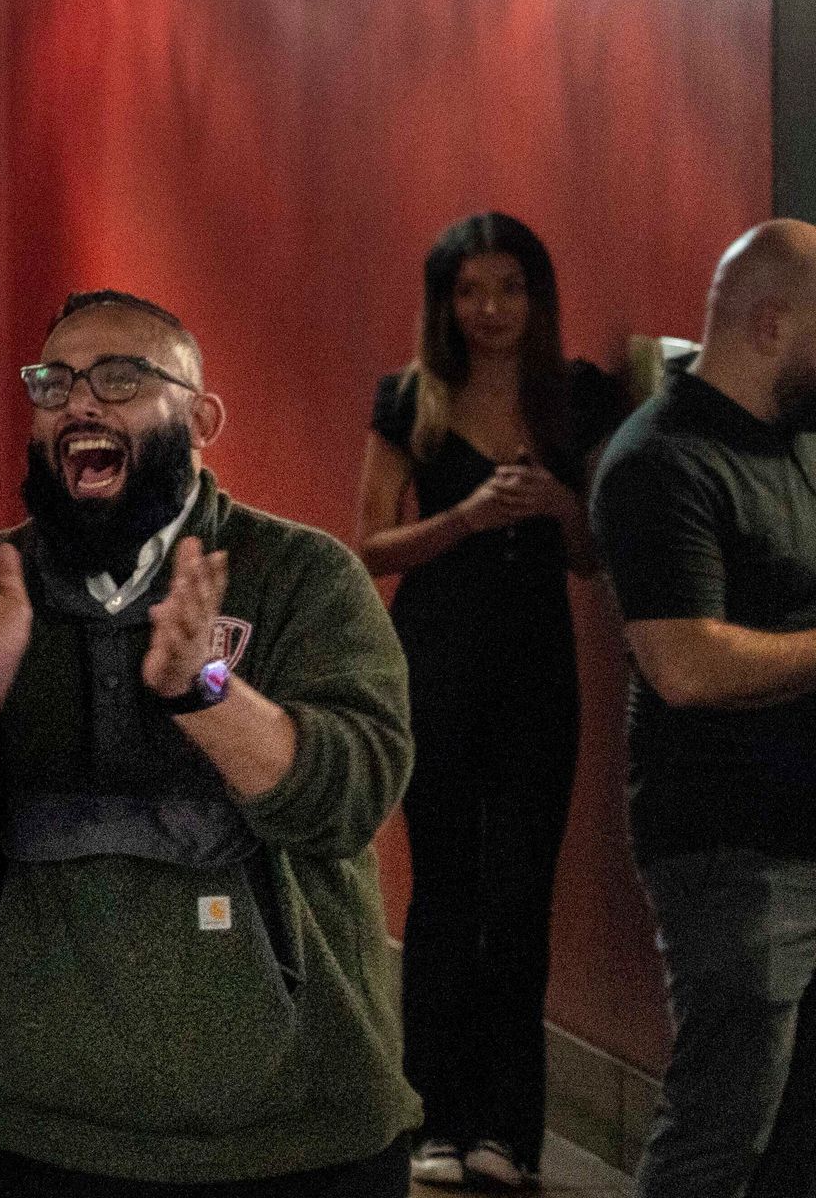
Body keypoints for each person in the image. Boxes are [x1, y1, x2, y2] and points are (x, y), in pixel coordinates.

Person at [0, 290, 415, 1196]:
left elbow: (348, 798)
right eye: (55, 382)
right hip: (15, 1130)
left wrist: (206, 688)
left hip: (289, 1138)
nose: (80, 403)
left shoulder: (304, 576)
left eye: (119, 377)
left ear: (202, 417)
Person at [351, 214, 621, 1192]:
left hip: (538, 668)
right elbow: (369, 546)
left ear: (536, 295)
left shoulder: (578, 396)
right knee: (443, 894)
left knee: (518, 897)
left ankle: (510, 1129)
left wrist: (558, 506)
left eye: (510, 287)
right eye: (472, 290)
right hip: (439, 658)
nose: (492, 309)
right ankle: (434, 1115)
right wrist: (464, 517)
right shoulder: (411, 397)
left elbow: (597, 556)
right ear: (446, 301)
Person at [590, 219, 816, 1198]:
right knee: (724, 1131)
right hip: (734, 852)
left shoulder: (797, 437)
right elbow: (686, 664)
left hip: (801, 831)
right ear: (769, 322)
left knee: (797, 1134)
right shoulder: (660, 460)